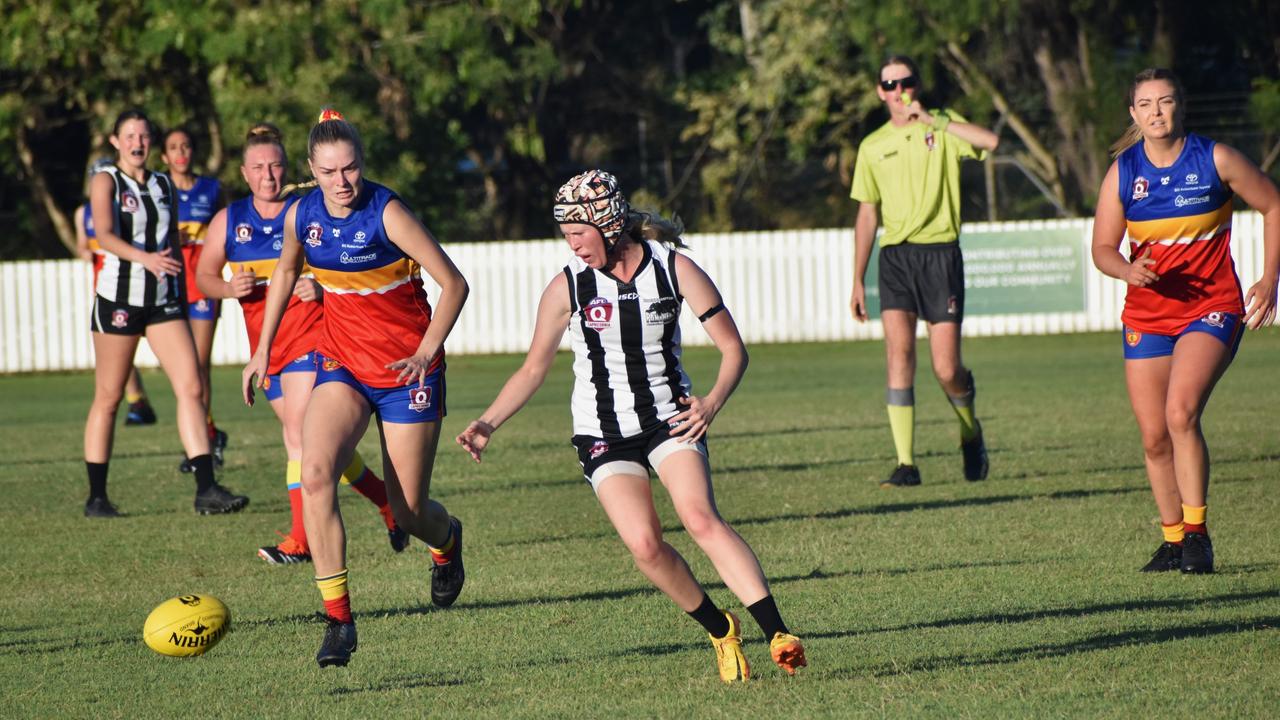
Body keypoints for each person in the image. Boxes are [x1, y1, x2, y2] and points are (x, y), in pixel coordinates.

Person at [456, 170, 807, 683]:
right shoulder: (567, 286)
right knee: (644, 546)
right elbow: (533, 368)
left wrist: (710, 403)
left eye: (579, 232)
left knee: (699, 517)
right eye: (566, 235)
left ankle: (778, 632)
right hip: (603, 431)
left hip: (670, 419)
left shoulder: (675, 269)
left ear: (609, 223)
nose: (573, 245)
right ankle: (719, 629)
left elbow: (734, 350)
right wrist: (487, 422)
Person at [241, 110, 469, 667]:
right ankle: (339, 622)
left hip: (404, 374)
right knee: (316, 473)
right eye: (329, 171)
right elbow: (285, 276)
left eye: (351, 168)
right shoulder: (302, 216)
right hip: (341, 365)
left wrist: (425, 351)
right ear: (312, 171)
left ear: (362, 164)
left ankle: (446, 542)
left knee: (409, 511)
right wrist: (262, 350)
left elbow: (454, 283)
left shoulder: (387, 213)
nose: (342, 181)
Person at [1091, 68, 1279, 574]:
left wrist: (1269, 277)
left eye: (1165, 101)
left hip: (1211, 308)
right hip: (1148, 317)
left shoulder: (1215, 158)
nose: (1156, 111)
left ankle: (1197, 536)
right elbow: (1102, 250)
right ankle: (1173, 539)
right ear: (1133, 114)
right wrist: (1128, 269)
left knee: (1180, 414)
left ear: (1180, 107)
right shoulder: (1124, 172)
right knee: (1154, 435)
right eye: (1146, 104)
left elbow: (1273, 203)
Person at [198, 123, 408, 564]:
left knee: (297, 436)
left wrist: (319, 287)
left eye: (276, 165)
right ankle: (387, 502)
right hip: (269, 348)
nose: (269, 175)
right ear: (244, 172)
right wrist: (226, 289)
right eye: (259, 167)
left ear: (292, 169)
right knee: (314, 448)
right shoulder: (230, 220)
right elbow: (202, 277)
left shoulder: (310, 210)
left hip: (314, 341)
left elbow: (345, 265)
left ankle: (302, 541)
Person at [83, 108, 248, 518]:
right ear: (115, 142)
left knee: (191, 385)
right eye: (130, 136)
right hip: (119, 300)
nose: (138, 142)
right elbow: (103, 234)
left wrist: (173, 271)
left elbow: (171, 237)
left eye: (143, 135)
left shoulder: (161, 184)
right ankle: (97, 497)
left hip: (162, 300)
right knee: (109, 396)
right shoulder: (106, 180)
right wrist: (146, 259)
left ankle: (206, 487)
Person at [849, 55, 1001, 488]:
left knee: (947, 368)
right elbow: (866, 215)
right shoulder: (872, 145)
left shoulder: (942, 125)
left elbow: (990, 141)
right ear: (880, 91)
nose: (899, 90)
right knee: (898, 357)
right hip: (895, 259)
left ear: (917, 84)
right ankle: (906, 463)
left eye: (906, 81)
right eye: (890, 84)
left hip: (940, 256)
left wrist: (936, 121)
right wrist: (858, 277)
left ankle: (970, 430)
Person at [160, 128, 229, 468]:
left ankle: (203, 439)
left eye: (186, 145)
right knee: (182, 371)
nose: (181, 152)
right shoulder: (158, 189)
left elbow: (224, 233)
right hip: (170, 285)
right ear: (164, 156)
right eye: (173, 147)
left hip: (201, 285)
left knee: (199, 366)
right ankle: (206, 435)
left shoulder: (211, 189)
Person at [75, 157, 157, 426]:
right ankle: (136, 401)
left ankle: (140, 402)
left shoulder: (130, 204)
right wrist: (87, 252)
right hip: (105, 285)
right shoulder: (83, 212)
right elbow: (82, 245)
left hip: (136, 282)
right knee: (116, 353)